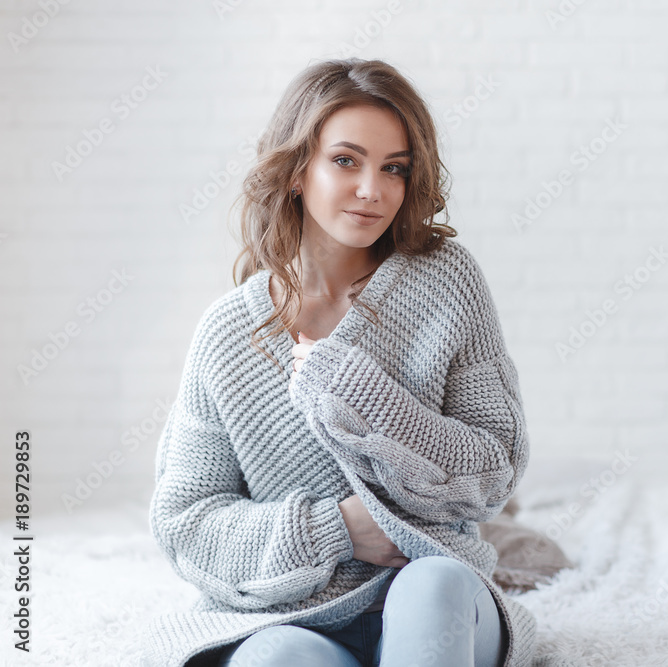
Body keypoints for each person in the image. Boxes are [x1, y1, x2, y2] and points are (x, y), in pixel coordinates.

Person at [141, 58, 535, 667]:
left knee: (433, 587)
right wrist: (340, 530)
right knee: (275, 658)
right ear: (299, 170)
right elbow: (187, 524)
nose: (372, 190)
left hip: (435, 597)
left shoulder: (447, 283)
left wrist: (357, 393)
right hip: (291, 614)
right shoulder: (226, 333)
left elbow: (494, 470)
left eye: (394, 169)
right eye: (346, 161)